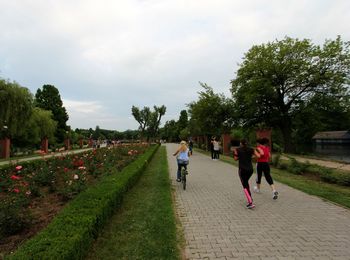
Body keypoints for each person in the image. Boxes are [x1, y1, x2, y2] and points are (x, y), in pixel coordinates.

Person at [234, 139, 260, 209]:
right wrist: (250, 157)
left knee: (244, 185)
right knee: (246, 182)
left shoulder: (237, 149)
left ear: (241, 143)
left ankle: (250, 202)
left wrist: (241, 157)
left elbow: (235, 158)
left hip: (242, 170)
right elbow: (258, 156)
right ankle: (250, 197)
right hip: (250, 170)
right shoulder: (251, 149)